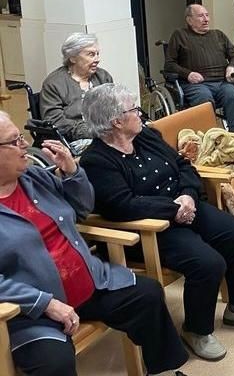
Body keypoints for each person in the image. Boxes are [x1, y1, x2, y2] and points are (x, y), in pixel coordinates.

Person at [81, 84, 234, 362]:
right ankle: (197, 330)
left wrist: (188, 195)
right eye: (134, 109)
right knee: (207, 263)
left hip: (185, 206)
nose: (140, 113)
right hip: (148, 229)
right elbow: (122, 205)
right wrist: (173, 209)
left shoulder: (146, 135)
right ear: (116, 122)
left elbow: (183, 166)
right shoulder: (96, 161)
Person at [0, 111, 189, 376]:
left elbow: (82, 208)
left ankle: (162, 371)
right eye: (15, 141)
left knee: (147, 295)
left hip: (90, 282)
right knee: (54, 363)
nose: (25, 145)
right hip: (34, 312)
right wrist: (45, 303)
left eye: (21, 137)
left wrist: (72, 172)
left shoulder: (34, 178)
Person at [164, 4, 234, 132]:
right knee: (205, 99)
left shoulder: (218, 35)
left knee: (233, 96)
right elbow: (169, 64)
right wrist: (188, 74)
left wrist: (232, 67)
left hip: (222, 82)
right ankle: (210, 135)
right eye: (201, 16)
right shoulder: (180, 35)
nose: (206, 19)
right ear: (189, 20)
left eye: (207, 15)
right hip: (196, 85)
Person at [40, 33, 113, 155]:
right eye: (91, 54)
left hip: (106, 133)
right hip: (74, 140)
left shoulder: (103, 76)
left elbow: (113, 107)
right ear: (72, 58)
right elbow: (55, 121)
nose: (97, 59)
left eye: (97, 54)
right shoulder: (54, 83)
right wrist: (92, 131)